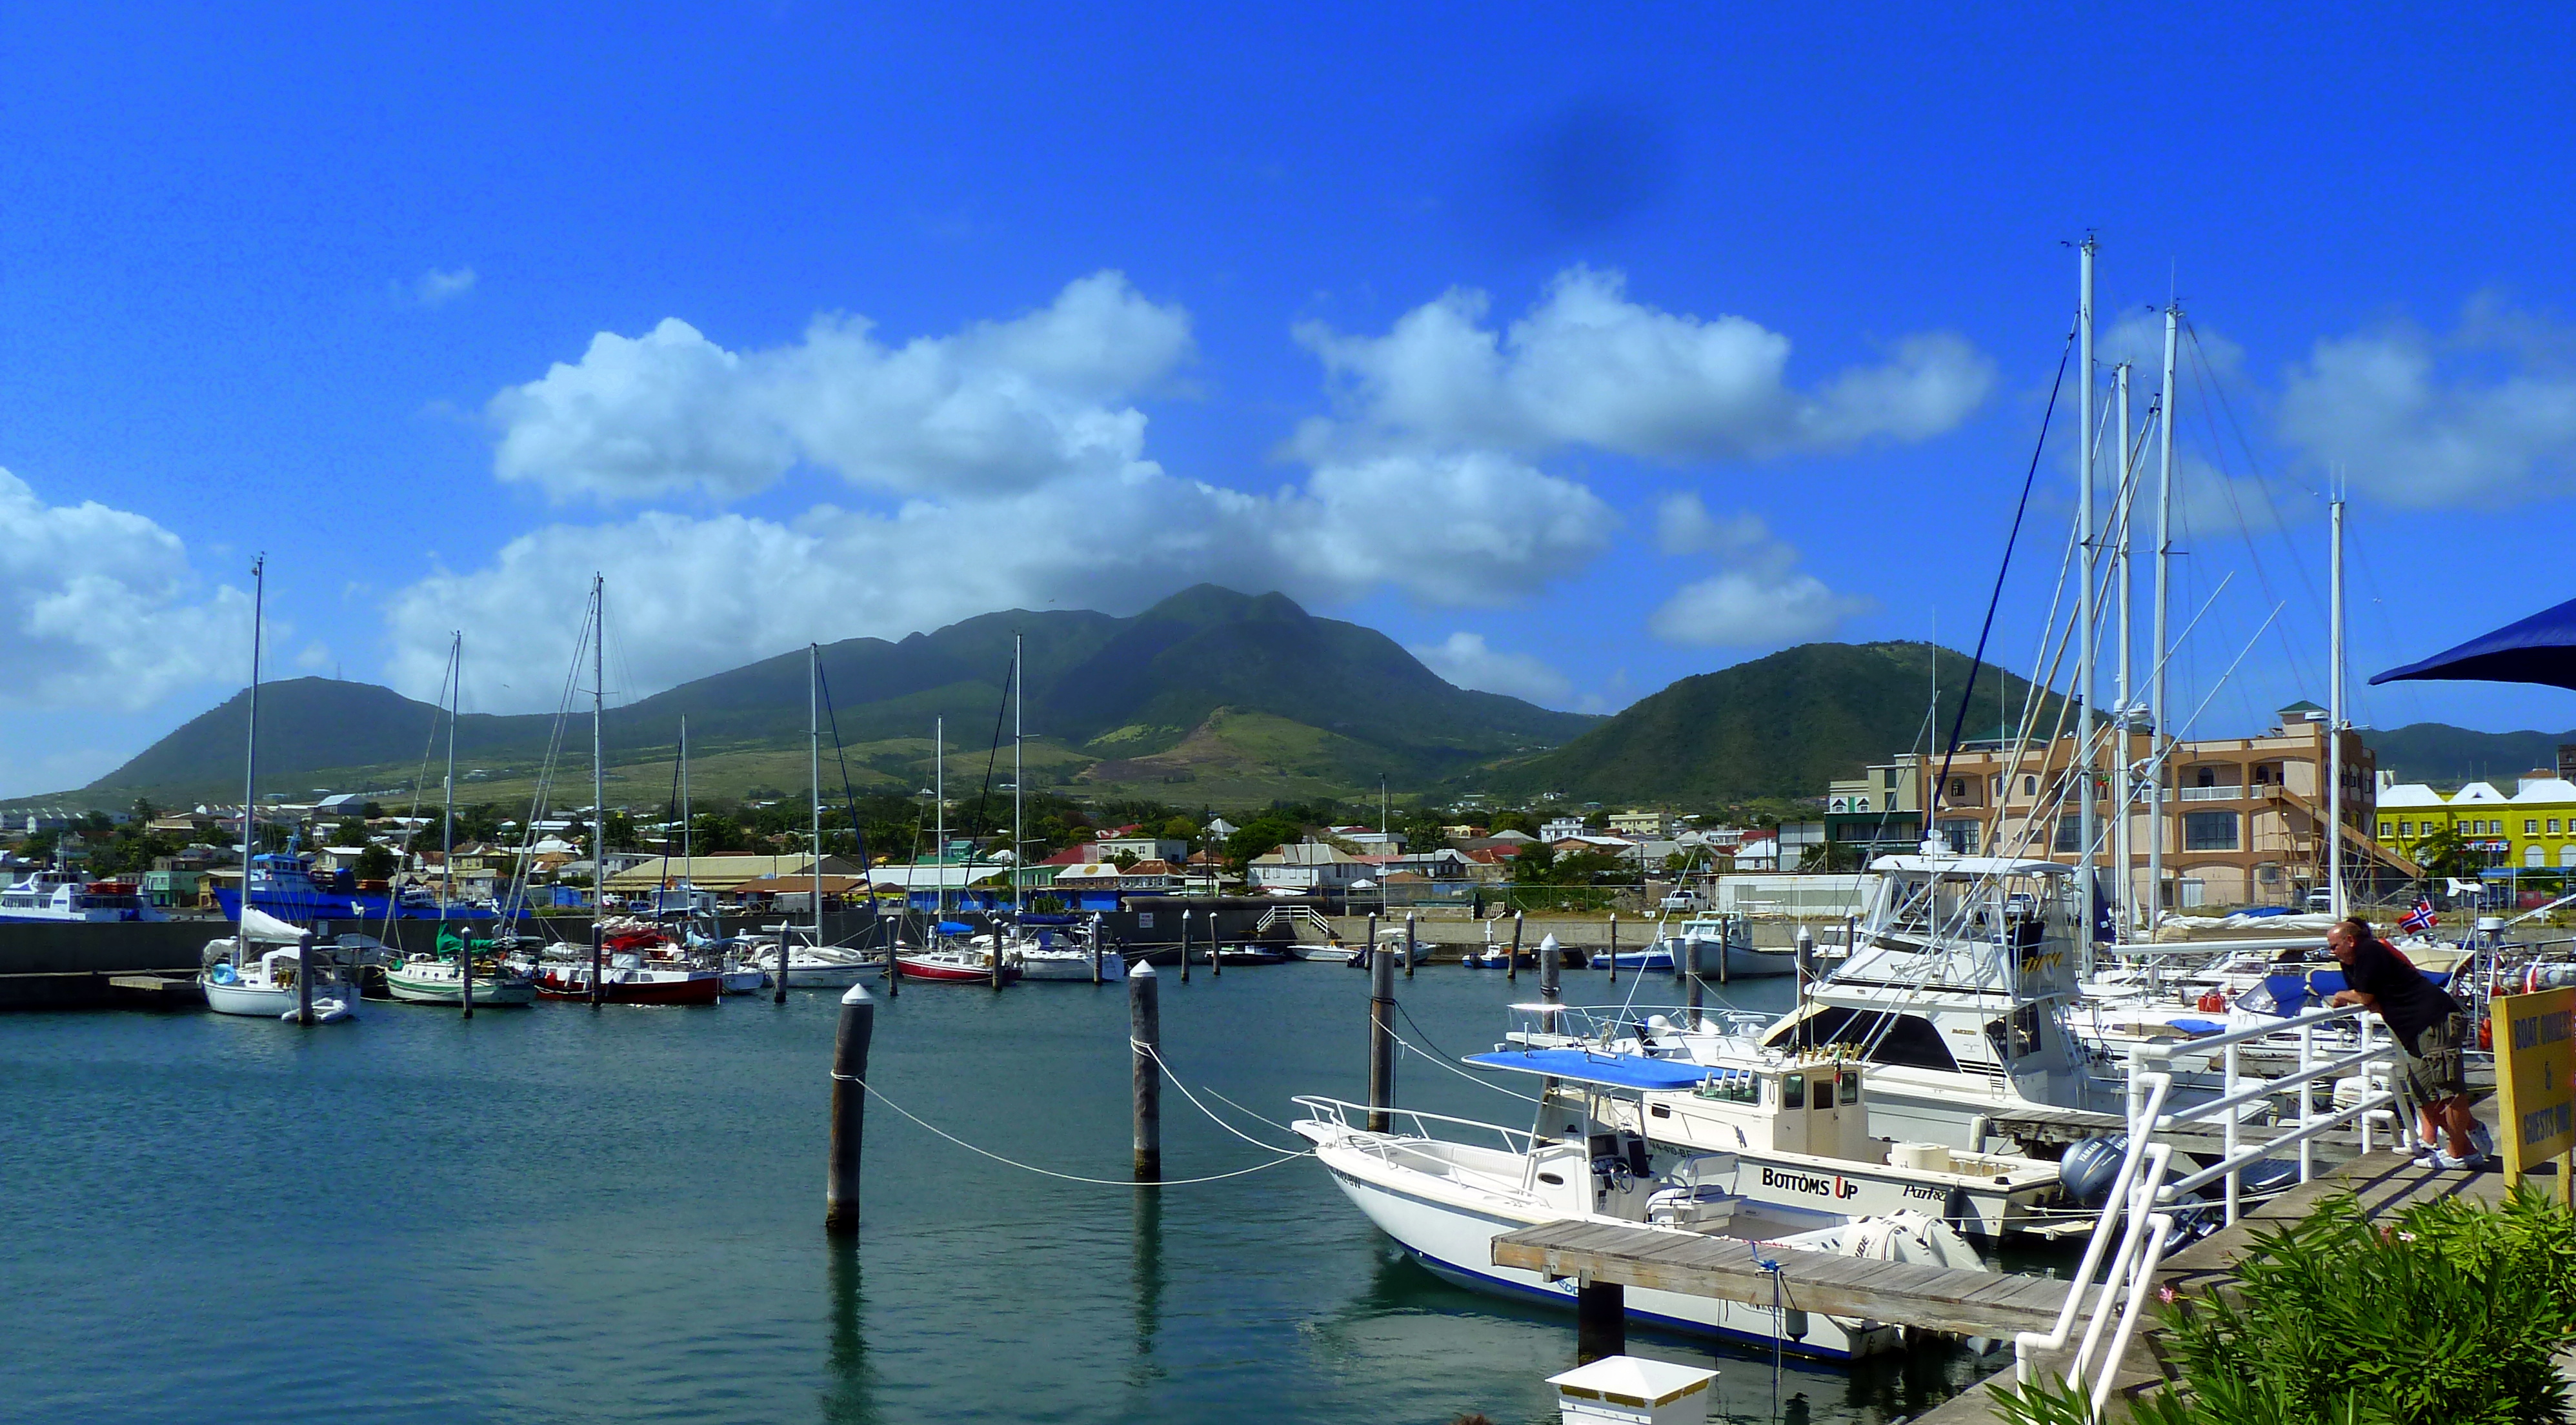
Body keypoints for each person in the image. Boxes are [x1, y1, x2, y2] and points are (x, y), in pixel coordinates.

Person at [2325, 916, 2486, 1169]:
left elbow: (2366, 997)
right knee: (2422, 1090)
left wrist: (2343, 995)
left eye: (2334, 946)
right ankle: (2467, 1143)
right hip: (2411, 1029)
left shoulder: (2370, 950)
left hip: (2434, 1019)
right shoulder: (2350, 963)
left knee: (2448, 1087)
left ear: (2350, 940)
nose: (2331, 952)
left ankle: (2458, 1155)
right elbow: (2373, 1000)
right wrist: (2358, 997)